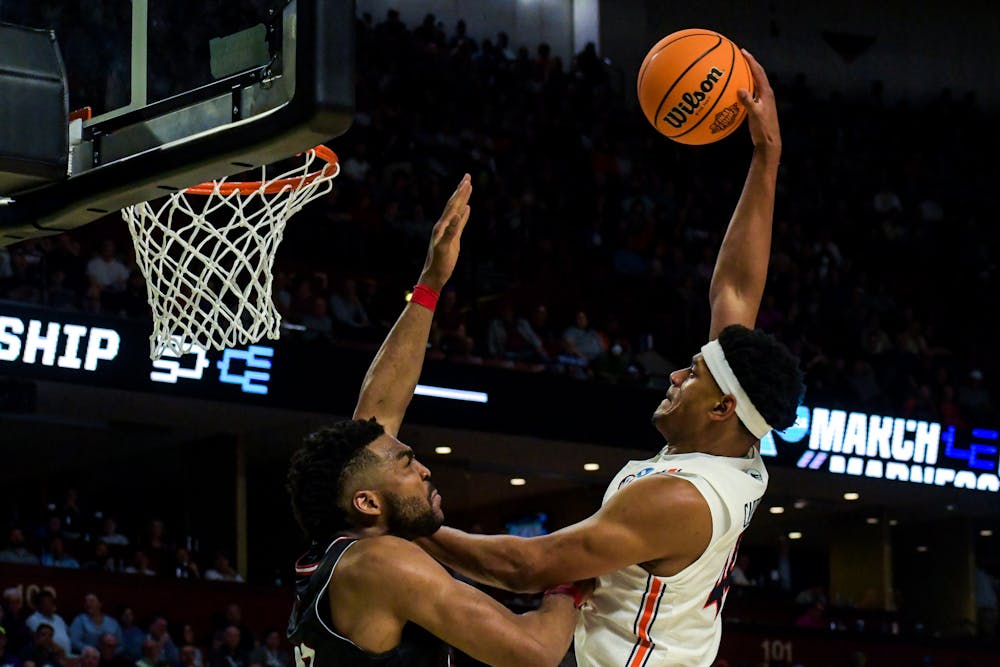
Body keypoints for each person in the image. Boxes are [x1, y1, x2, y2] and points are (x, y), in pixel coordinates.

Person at [418, 53, 804, 667]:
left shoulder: (685, 499)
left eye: (693, 375)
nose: (676, 374)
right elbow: (734, 288)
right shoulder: (736, 440)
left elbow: (528, 565)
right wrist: (766, 156)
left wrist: (413, 527)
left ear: (722, 406)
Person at [285, 174, 592, 666]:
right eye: (406, 465)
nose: (424, 468)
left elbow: (377, 413)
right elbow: (533, 655)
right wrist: (567, 587)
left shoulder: (337, 552)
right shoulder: (382, 560)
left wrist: (430, 284)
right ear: (367, 502)